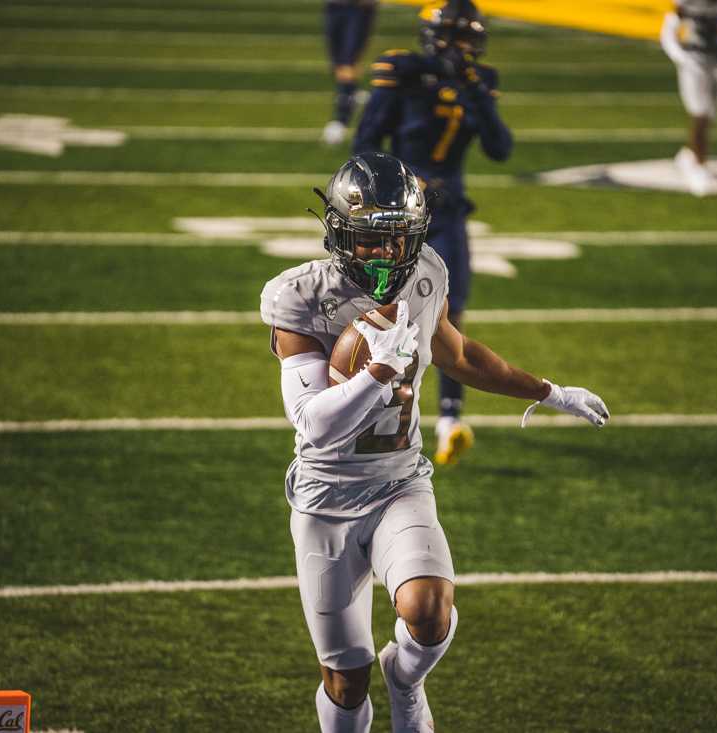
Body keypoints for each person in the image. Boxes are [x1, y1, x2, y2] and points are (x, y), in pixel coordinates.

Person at [259, 152, 609, 733]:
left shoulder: (426, 274)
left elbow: (461, 355)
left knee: (429, 613)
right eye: (372, 239)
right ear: (340, 233)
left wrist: (549, 391)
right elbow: (312, 422)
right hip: (325, 496)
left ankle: (407, 680)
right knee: (346, 681)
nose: (388, 254)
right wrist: (376, 374)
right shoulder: (299, 297)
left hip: (400, 481)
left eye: (400, 238)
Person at [352, 0, 512, 466]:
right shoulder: (402, 71)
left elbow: (500, 149)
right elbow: (365, 142)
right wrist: (406, 177)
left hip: (450, 211)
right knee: (387, 310)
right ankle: (376, 407)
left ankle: (449, 418)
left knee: (450, 310)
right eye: (455, 36)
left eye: (469, 36)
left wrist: (475, 91)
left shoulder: (481, 82)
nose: (463, 46)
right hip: (399, 214)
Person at [660, 0, 717, 196]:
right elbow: (670, 27)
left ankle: (688, 155)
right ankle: (698, 168)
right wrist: (680, 55)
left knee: (711, 114)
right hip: (695, 60)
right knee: (701, 114)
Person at [322, 0, 379, 145]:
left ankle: (341, 119)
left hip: (358, 7)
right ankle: (351, 92)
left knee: (348, 63)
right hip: (334, 5)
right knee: (338, 63)